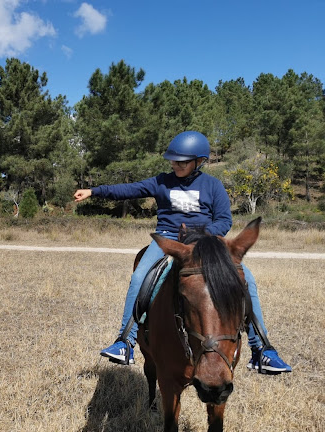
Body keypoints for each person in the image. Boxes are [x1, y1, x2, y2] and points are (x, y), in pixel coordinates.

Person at [73, 130, 291, 374]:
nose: (175, 165)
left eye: (182, 161)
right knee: (139, 278)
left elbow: (224, 220)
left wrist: (203, 233)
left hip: (207, 241)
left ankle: (263, 350)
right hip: (167, 238)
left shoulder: (213, 185)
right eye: (173, 160)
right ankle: (125, 341)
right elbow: (129, 189)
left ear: (199, 161)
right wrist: (94, 191)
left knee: (246, 280)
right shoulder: (161, 182)